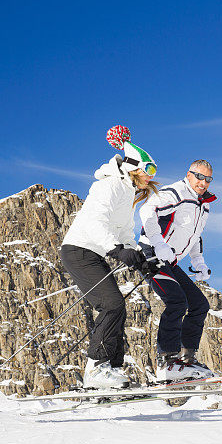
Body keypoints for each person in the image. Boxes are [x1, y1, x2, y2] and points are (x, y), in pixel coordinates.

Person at [59, 127, 159, 389]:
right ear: (133, 167)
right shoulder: (108, 185)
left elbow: (125, 231)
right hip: (79, 250)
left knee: (117, 307)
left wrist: (138, 258)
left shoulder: (126, 191)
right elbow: (95, 221)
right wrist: (116, 249)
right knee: (111, 304)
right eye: (148, 170)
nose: (151, 177)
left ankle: (112, 370)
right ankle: (96, 369)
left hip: (93, 252)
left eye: (154, 172)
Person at [138, 159, 216, 381]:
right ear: (189, 174)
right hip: (151, 254)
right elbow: (146, 210)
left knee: (199, 305)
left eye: (208, 179)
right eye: (199, 176)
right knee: (176, 301)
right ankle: (167, 360)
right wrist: (158, 242)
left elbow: (194, 236)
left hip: (170, 261)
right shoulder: (175, 192)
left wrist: (199, 261)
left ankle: (186, 359)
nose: (203, 182)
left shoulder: (204, 205)